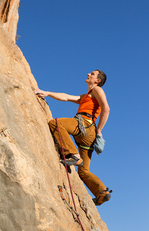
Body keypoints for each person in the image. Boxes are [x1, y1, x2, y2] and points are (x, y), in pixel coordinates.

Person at [35, 69, 112, 206]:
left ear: (97, 80)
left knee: (56, 123)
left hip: (84, 125)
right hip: (88, 136)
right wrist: (48, 93)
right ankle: (102, 192)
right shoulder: (87, 96)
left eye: (92, 74)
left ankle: (73, 155)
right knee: (84, 171)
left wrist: (100, 129)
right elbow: (66, 97)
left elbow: (106, 108)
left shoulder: (97, 90)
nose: (88, 74)